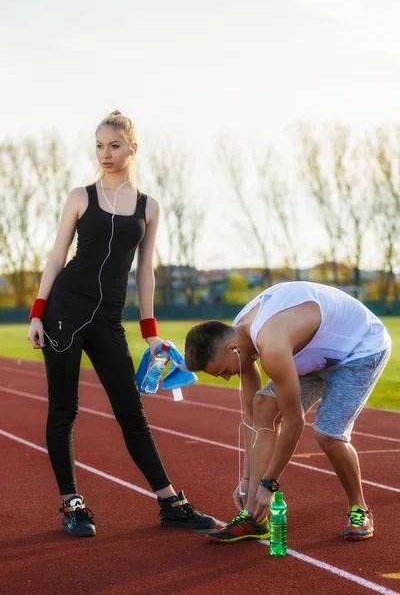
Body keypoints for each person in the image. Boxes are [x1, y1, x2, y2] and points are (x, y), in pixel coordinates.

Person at [27, 110, 215, 537]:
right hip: (64, 313)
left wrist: (150, 332)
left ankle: (169, 502)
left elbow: (145, 270)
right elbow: (57, 257)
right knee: (63, 410)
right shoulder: (80, 197)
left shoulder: (149, 207)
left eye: (113, 145)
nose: (105, 154)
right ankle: (72, 504)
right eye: (98, 145)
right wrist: (38, 312)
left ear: (133, 147)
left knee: (131, 412)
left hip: (109, 318)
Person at [184, 281, 391, 543]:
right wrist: (249, 480)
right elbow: (252, 416)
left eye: (223, 371)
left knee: (328, 435)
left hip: (359, 350)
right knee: (264, 405)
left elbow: (294, 422)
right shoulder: (240, 336)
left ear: (231, 350)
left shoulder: (271, 343)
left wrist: (269, 484)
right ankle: (254, 519)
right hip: (313, 353)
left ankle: (359, 508)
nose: (227, 378)